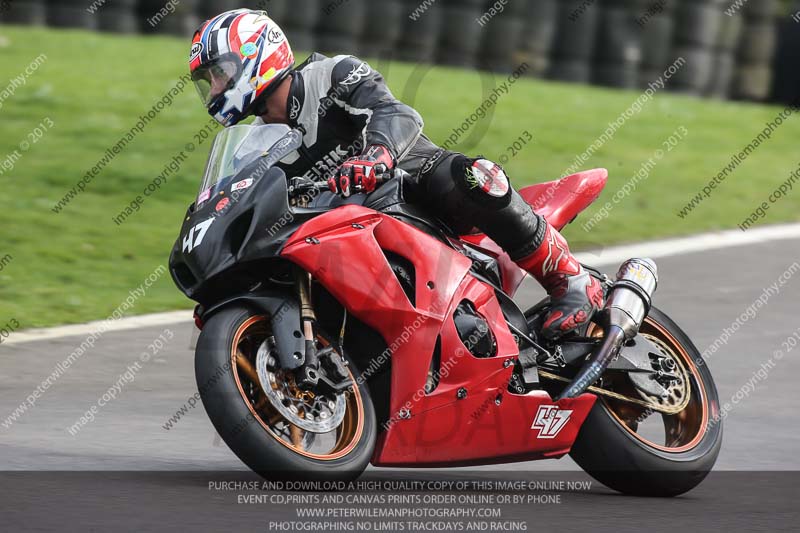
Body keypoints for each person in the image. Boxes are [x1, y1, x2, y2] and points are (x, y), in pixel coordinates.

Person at [189, 9, 603, 338]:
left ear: (257, 55)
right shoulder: (256, 145)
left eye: (218, 74)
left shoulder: (331, 74)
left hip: (411, 183)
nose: (213, 89)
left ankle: (570, 281)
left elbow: (396, 112)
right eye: (207, 81)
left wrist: (378, 153)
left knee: (476, 176)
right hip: (344, 228)